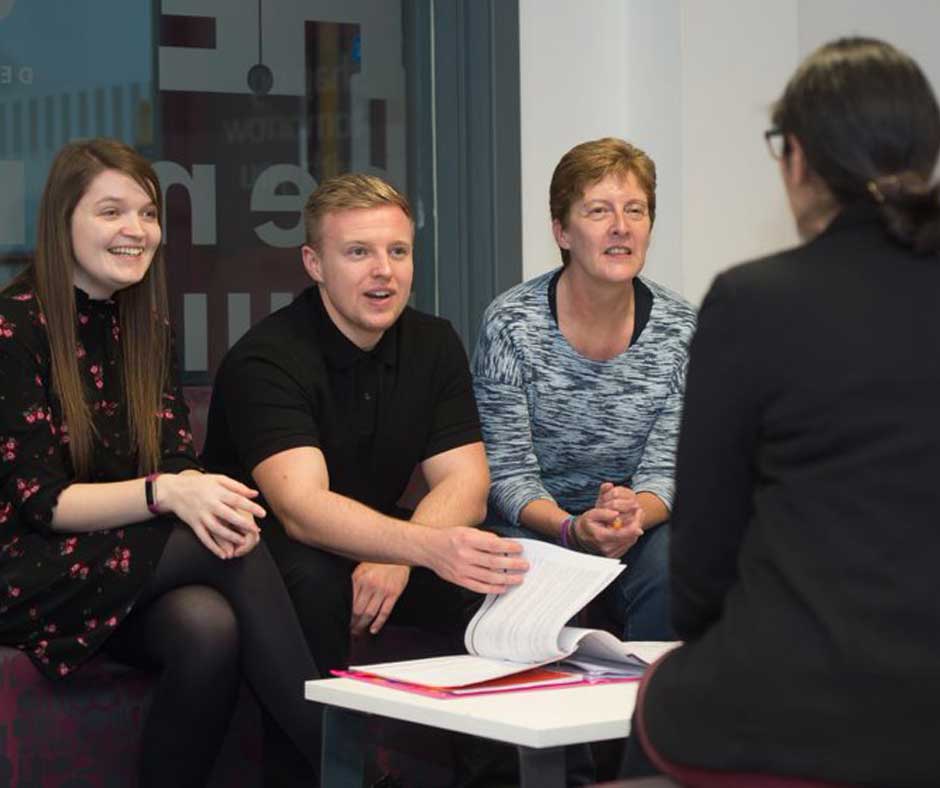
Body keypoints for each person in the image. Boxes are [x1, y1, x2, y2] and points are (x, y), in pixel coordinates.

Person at [624, 38, 940, 786]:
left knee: (653, 716)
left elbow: (699, 576)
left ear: (798, 159)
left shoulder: (754, 302)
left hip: (803, 702)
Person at [0, 139, 326, 786]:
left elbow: (176, 457)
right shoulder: (12, 329)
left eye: (148, 213)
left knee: (206, 629)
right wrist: (166, 494)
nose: (136, 230)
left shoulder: (146, 326)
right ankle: (343, 764)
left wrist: (194, 488)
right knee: (225, 544)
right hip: (26, 564)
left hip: (112, 562)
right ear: (62, 220)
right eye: (111, 211)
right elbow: (44, 503)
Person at [201, 172, 529, 785]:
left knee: (491, 580)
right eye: (358, 253)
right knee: (317, 583)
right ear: (314, 263)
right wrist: (418, 546)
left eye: (397, 251)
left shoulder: (433, 342)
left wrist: (402, 557)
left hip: (375, 539)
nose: (383, 271)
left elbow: (467, 481)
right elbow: (301, 508)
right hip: (260, 549)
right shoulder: (266, 358)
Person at [472, 137, 696, 640]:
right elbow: (505, 473)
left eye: (635, 210)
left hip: (636, 524)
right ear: (562, 231)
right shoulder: (511, 323)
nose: (621, 226)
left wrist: (629, 515)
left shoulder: (682, 328)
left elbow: (670, 468)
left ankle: (649, 713)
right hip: (533, 523)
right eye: (598, 210)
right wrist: (571, 529)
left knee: (681, 566)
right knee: (519, 579)